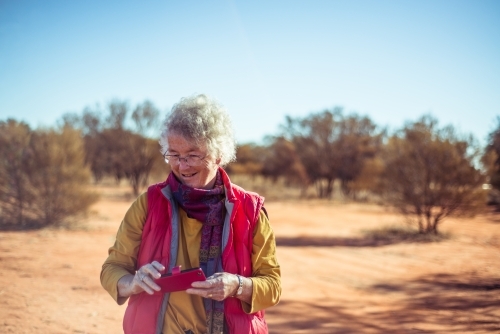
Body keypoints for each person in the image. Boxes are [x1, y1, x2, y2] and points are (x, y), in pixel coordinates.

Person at [100, 94, 281, 334]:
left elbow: (273, 285)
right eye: (174, 154)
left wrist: (237, 285)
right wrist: (133, 283)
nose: (182, 165)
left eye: (193, 155)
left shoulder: (250, 210)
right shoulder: (148, 205)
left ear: (218, 154)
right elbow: (112, 269)